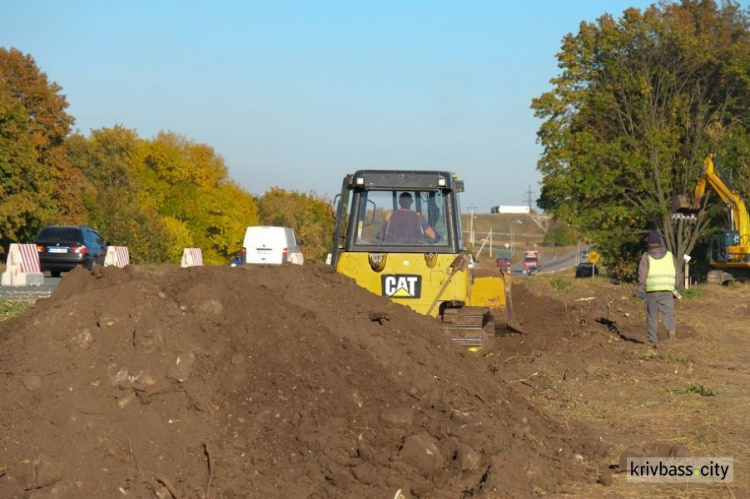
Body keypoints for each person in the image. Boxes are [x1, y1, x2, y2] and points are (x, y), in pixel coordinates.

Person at [637, 230, 679, 346]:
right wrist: (676, 288)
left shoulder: (646, 257)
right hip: (667, 291)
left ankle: (652, 340)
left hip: (652, 291)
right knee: (668, 313)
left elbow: (642, 275)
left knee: (652, 316)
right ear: (660, 243)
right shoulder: (670, 256)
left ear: (649, 244)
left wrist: (641, 290)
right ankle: (671, 334)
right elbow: (677, 273)